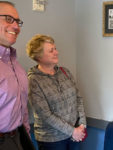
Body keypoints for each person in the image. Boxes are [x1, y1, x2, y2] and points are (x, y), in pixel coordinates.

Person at [26, 34, 87, 150]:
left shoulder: (65, 72)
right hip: (52, 140)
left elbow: (78, 98)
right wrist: (72, 131)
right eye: (51, 51)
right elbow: (45, 115)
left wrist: (82, 125)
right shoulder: (33, 80)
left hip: (75, 135)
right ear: (39, 56)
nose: (56, 52)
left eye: (55, 49)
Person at [0, 1, 33, 150]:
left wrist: (26, 135)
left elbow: (22, 106)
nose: (16, 26)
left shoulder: (16, 65)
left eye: (18, 21)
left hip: (19, 138)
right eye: (8, 19)